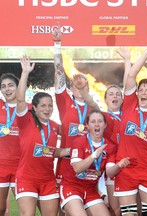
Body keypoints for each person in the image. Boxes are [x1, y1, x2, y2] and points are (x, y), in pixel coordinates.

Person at [15, 56, 70, 216]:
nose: (47, 109)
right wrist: (25, 72)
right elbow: (20, 99)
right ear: (35, 107)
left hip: (48, 180)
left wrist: (72, 150)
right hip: (27, 178)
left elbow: (52, 151)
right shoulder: (26, 120)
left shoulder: (54, 126)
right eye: (43, 106)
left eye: (50, 106)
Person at [114, 40, 147, 216]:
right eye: (141, 89)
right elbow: (131, 76)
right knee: (129, 214)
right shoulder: (129, 104)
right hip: (126, 168)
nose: (142, 93)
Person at [52, 25, 99, 190]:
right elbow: (58, 73)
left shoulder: (93, 107)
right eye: (76, 84)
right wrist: (57, 44)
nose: (79, 86)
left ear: (88, 88)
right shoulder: (64, 101)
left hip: (89, 162)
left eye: (83, 83)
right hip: (66, 162)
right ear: (70, 88)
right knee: (63, 209)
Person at [59, 109, 130, 216]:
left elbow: (110, 172)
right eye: (93, 122)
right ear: (87, 125)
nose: (96, 124)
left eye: (100, 121)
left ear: (105, 125)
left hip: (91, 190)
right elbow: (77, 168)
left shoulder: (110, 146)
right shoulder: (79, 142)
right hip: (71, 187)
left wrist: (118, 166)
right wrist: (94, 155)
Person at [0, 73, 20, 216]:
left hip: (21, 167)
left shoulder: (28, 109)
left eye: (11, 85)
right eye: (3, 86)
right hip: (1, 165)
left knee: (25, 210)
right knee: (1, 209)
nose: (7, 89)